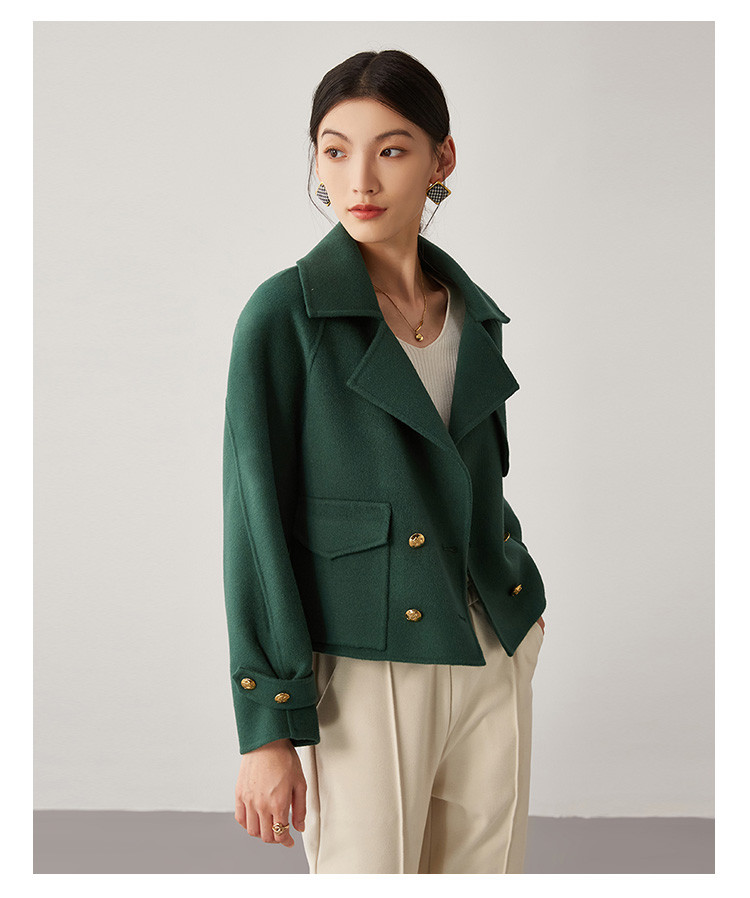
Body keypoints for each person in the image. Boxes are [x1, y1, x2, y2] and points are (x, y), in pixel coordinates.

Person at [223, 49, 547, 874]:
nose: (358, 179)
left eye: (391, 150)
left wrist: (520, 606)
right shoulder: (285, 314)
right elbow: (255, 524)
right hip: (366, 664)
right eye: (334, 151)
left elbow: (473, 481)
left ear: (441, 159)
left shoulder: (472, 314)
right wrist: (268, 725)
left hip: (490, 648)